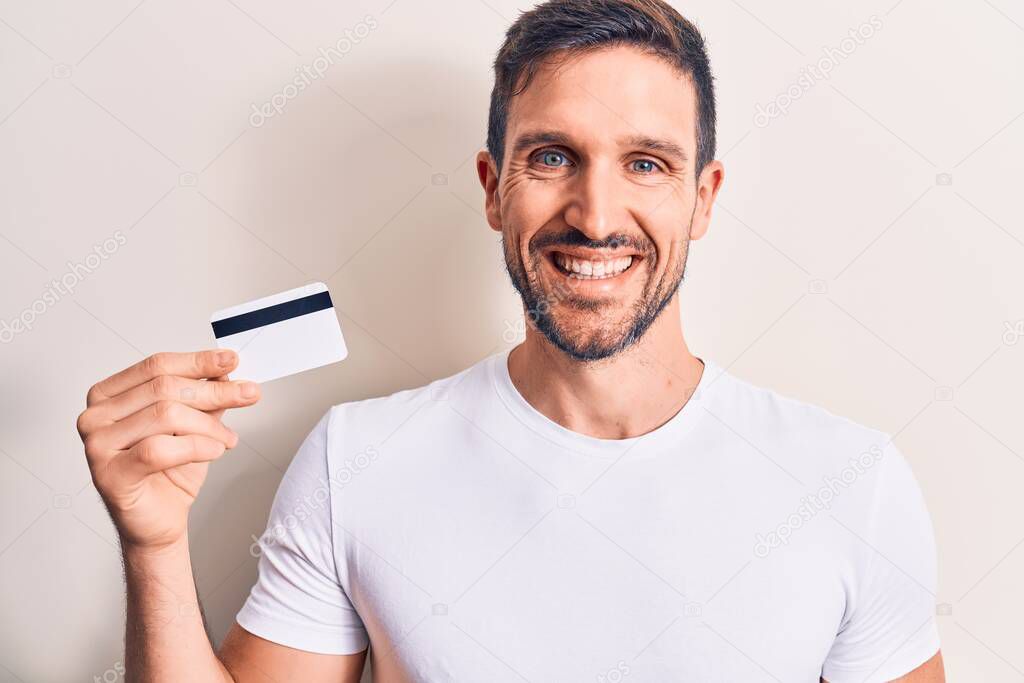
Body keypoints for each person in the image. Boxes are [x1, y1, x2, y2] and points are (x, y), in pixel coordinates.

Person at [76, 0, 945, 680]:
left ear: (703, 197)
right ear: (494, 188)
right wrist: (152, 547)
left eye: (646, 162)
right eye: (553, 157)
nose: (596, 217)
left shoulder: (848, 484)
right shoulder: (357, 460)